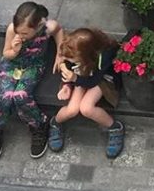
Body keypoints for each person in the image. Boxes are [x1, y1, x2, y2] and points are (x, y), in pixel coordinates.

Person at [0, 1, 61, 161]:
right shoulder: (13, 30)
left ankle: (39, 124)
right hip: (12, 65)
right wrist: (14, 50)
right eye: (19, 32)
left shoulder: (48, 27)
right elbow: (6, 53)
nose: (21, 36)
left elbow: (59, 31)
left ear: (38, 25)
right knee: (6, 96)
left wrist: (60, 53)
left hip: (33, 65)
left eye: (25, 33)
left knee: (21, 96)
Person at [50, 27, 125, 159]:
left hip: (100, 80)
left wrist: (74, 78)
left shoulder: (103, 57)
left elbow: (93, 81)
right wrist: (67, 84)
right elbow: (67, 65)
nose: (68, 60)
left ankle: (114, 127)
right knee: (72, 109)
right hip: (81, 76)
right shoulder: (72, 51)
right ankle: (55, 123)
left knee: (86, 108)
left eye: (72, 59)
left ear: (86, 55)